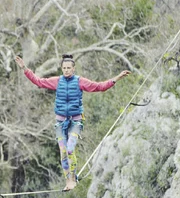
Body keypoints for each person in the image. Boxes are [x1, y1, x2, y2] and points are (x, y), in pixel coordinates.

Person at [15, 54, 130, 190]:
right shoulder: (57, 81)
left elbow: (100, 87)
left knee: (70, 149)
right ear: (61, 69)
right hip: (60, 122)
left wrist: (117, 78)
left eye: (69, 68)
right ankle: (68, 180)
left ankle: (73, 178)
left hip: (75, 121)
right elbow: (39, 82)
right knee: (63, 152)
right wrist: (24, 68)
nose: (66, 70)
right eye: (64, 68)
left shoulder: (80, 81)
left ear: (74, 69)